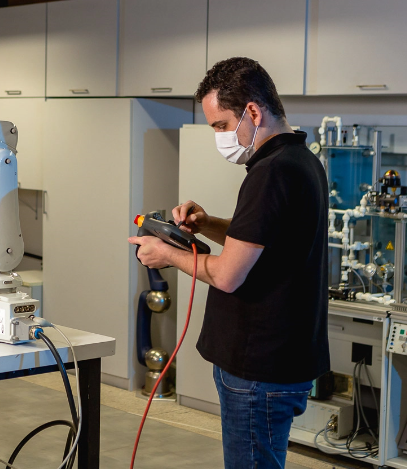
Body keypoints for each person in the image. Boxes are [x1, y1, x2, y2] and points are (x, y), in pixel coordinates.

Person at [128, 57, 330, 468]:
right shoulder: (302, 163)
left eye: (221, 125)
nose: (219, 137)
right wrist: (206, 225)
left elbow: (228, 274)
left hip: (259, 369)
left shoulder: (270, 173)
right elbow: (259, 242)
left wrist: (165, 252)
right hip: (281, 361)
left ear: (253, 112)